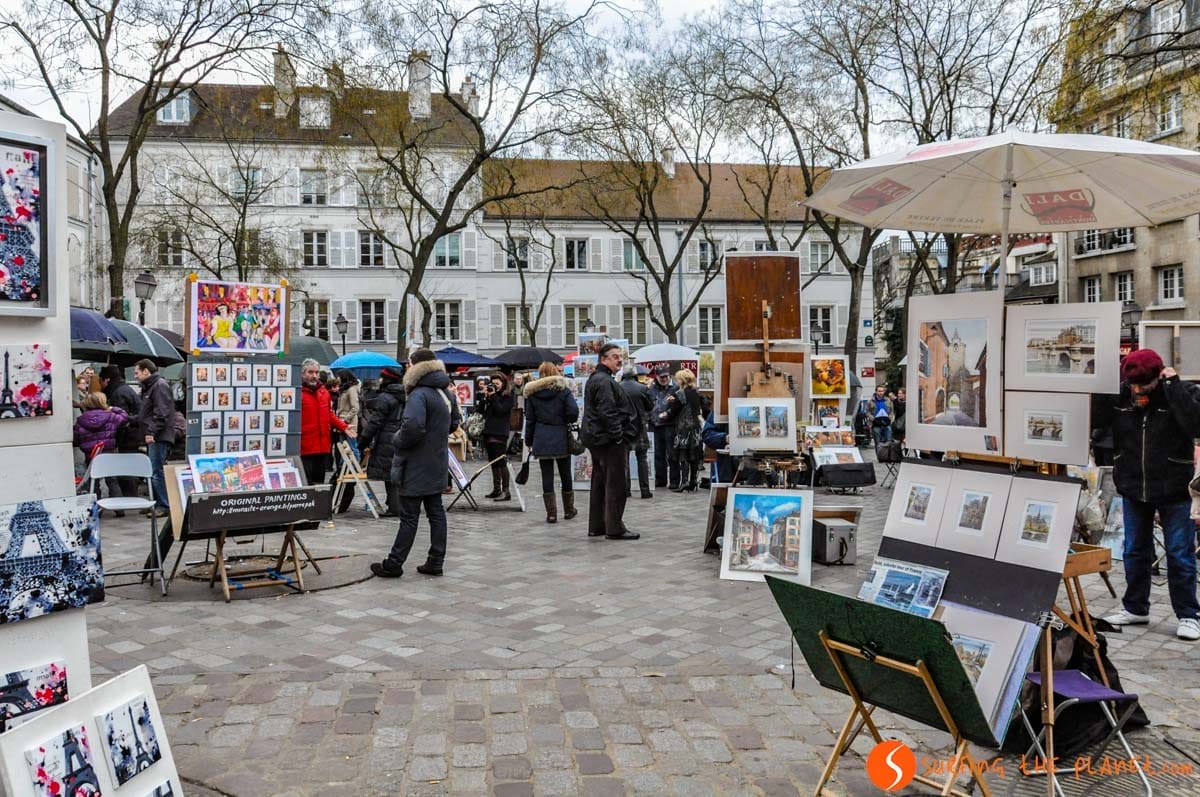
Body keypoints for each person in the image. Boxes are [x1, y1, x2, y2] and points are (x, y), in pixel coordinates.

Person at [1099, 349, 1200, 641]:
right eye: (1133, 384)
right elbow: (1097, 418)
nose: (1138, 390)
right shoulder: (1123, 394)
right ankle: (1135, 607)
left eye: (1144, 385)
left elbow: (1195, 425)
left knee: (1180, 554)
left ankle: (1189, 615)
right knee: (1134, 551)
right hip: (1133, 485)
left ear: (1158, 377)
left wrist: (1174, 386)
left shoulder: (1179, 392)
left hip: (1173, 488)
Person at [370, 349, 461, 579]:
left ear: (415, 366)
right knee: (436, 512)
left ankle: (394, 562)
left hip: (416, 463)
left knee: (409, 515)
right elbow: (454, 423)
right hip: (437, 460)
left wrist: (396, 439)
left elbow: (412, 427)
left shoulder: (419, 394)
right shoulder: (445, 392)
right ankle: (436, 560)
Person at [582, 343, 638, 540]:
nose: (619, 360)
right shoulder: (604, 381)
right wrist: (617, 436)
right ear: (603, 359)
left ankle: (597, 526)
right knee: (615, 484)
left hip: (597, 438)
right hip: (607, 439)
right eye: (615, 356)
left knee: (599, 482)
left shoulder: (596, 379)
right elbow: (607, 411)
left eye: (620, 356)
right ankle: (614, 528)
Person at [524, 362, 580, 523]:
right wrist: (566, 420)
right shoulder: (563, 391)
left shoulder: (533, 394)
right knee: (565, 474)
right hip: (561, 435)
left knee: (546, 476)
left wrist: (529, 440)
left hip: (541, 437)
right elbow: (573, 412)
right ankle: (569, 510)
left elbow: (530, 420)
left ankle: (551, 513)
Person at [359, 366, 407, 517]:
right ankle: (396, 503)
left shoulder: (386, 398)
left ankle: (395, 507)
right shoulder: (406, 394)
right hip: (401, 435)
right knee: (398, 471)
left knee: (389, 473)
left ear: (386, 379)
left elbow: (375, 422)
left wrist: (363, 441)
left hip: (387, 437)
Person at [299, 357, 354, 486]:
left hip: (322, 445)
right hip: (305, 446)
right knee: (306, 483)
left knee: (319, 483)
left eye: (316, 372)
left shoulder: (323, 392)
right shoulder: (297, 392)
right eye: (310, 372)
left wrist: (343, 426)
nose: (314, 376)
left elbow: (328, 414)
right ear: (302, 373)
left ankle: (318, 506)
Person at [73, 392, 129, 511]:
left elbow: (76, 438)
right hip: (108, 453)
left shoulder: (81, 420)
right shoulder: (111, 416)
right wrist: (112, 408)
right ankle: (119, 508)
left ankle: (96, 509)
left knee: (94, 481)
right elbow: (124, 416)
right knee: (112, 479)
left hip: (91, 455)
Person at [134, 359, 175, 517]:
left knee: (156, 470)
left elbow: (161, 413)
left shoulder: (158, 386)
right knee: (154, 470)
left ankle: (163, 505)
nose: (136, 376)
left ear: (146, 371)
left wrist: (151, 432)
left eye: (137, 373)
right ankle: (157, 503)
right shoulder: (152, 386)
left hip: (158, 436)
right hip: (156, 434)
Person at [99, 364, 143, 500]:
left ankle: (129, 497)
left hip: (127, 437)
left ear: (107, 380)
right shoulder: (126, 389)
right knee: (130, 466)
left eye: (101, 381)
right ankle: (131, 496)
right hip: (134, 434)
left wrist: (115, 440)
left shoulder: (118, 393)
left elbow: (120, 420)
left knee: (126, 467)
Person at [662, 369, 703, 492]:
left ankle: (684, 482)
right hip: (695, 427)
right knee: (694, 454)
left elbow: (674, 410)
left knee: (683, 454)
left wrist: (665, 413)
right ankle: (693, 481)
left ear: (682, 380)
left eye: (678, 379)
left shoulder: (681, 393)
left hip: (684, 427)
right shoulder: (696, 392)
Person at [619, 365, 653, 499]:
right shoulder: (643, 388)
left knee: (624, 460)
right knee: (642, 459)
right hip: (639, 426)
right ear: (634, 375)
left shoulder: (617, 387)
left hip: (623, 428)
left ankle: (626, 490)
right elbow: (650, 406)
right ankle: (645, 490)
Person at [478, 373, 514, 501]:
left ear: (503, 384)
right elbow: (480, 410)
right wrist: (485, 397)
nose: (495, 386)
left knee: (500, 460)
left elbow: (500, 411)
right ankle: (496, 489)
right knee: (493, 460)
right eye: (493, 384)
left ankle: (506, 490)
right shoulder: (491, 395)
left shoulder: (508, 397)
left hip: (499, 432)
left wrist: (493, 396)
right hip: (488, 431)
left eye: (497, 384)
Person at [333, 369, 363, 513]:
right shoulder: (344, 388)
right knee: (342, 446)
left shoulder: (351, 389)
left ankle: (354, 464)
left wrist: (344, 419)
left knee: (351, 446)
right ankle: (343, 464)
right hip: (341, 422)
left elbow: (355, 408)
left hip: (348, 423)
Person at [648, 366, 680, 490]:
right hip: (655, 424)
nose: (664, 379)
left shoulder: (676, 388)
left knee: (672, 454)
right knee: (658, 454)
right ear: (657, 377)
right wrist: (651, 418)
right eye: (662, 377)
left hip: (670, 425)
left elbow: (679, 405)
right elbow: (648, 404)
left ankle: (674, 480)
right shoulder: (651, 388)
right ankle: (660, 479)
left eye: (666, 376)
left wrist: (670, 411)